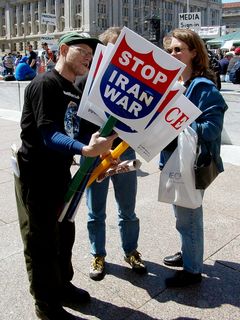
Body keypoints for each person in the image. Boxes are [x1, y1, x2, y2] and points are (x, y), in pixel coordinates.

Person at [14, 32, 117, 320]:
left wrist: (104, 155)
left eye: (90, 53)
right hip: (37, 175)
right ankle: (46, 306)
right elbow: (48, 134)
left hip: (61, 173)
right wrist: (84, 148)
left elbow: (81, 131)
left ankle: (62, 285)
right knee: (42, 241)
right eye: (82, 50)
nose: (88, 56)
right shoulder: (46, 84)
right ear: (62, 50)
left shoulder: (74, 89)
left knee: (64, 234)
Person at [75, 27, 147, 281]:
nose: (120, 53)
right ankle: (98, 254)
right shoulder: (86, 81)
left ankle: (131, 251)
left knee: (128, 210)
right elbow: (77, 123)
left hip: (125, 154)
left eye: (124, 49)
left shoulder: (139, 84)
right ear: (105, 51)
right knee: (96, 211)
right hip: (95, 157)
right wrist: (87, 150)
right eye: (115, 47)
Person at [160, 28, 228, 288]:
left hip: (192, 163)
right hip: (175, 159)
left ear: (193, 53)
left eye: (178, 49)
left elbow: (212, 129)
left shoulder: (203, 87)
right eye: (170, 50)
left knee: (190, 216)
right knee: (182, 215)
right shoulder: (174, 84)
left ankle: (192, 271)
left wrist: (179, 123)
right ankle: (189, 253)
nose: (173, 54)